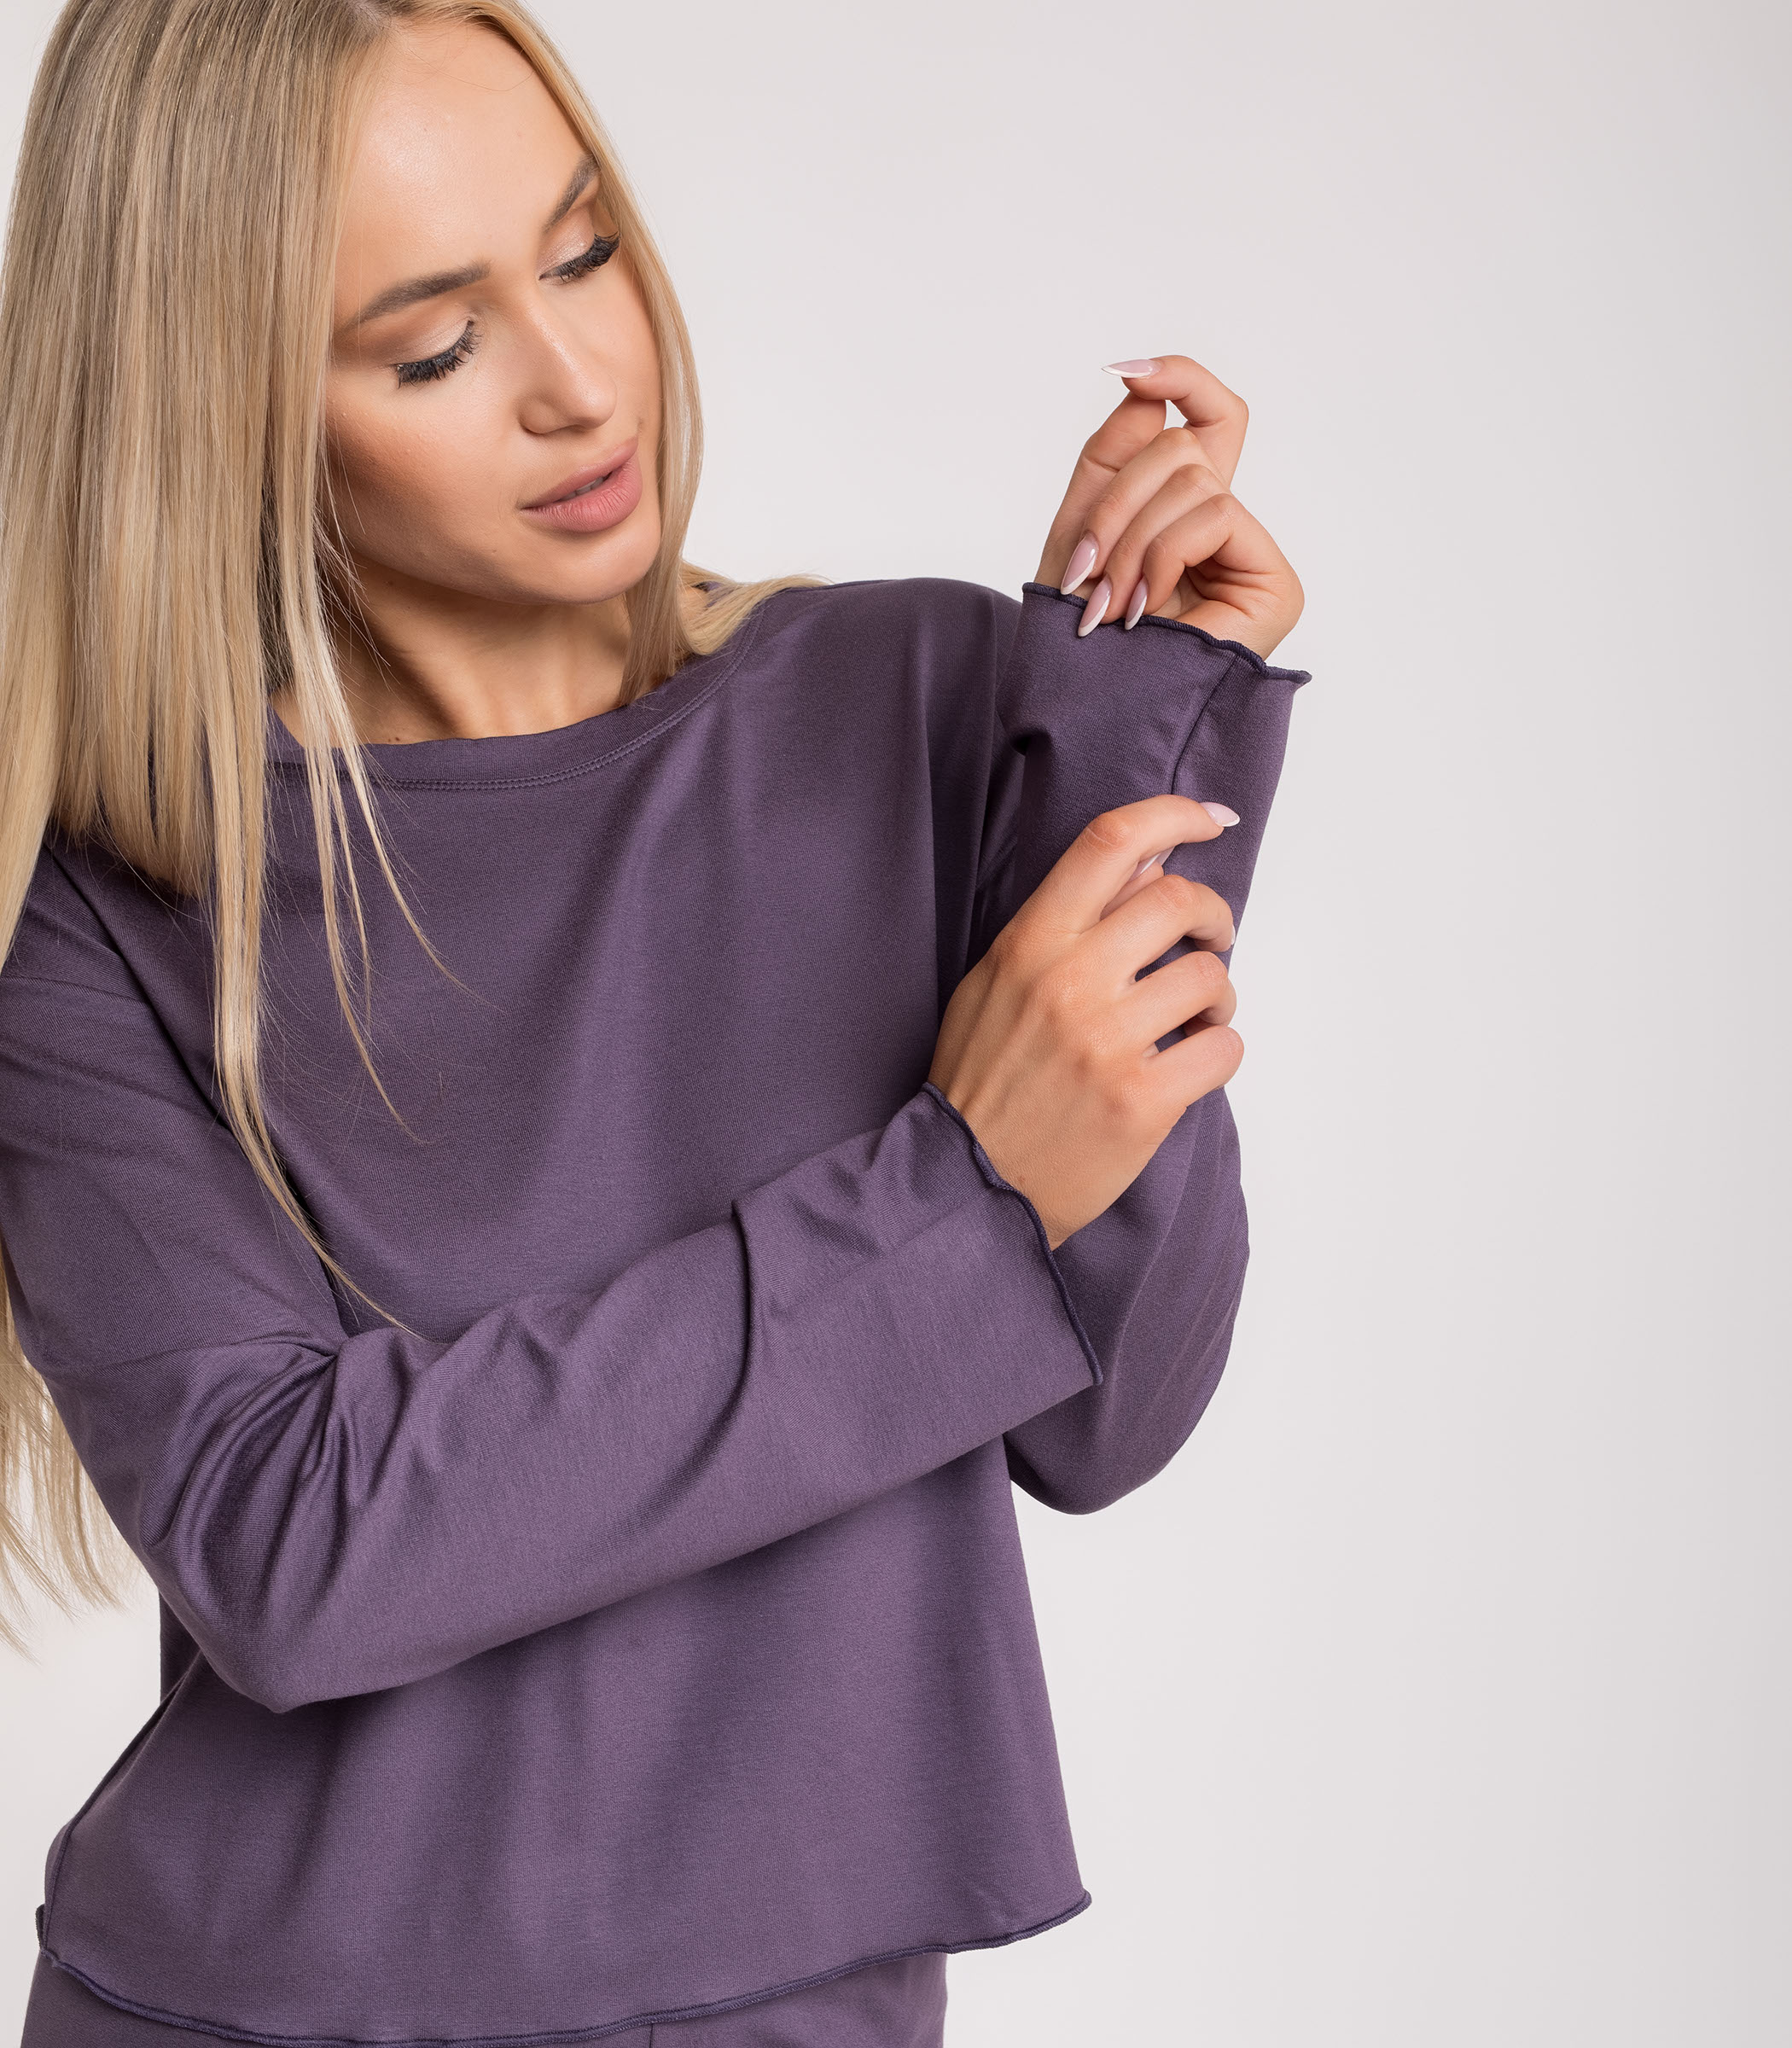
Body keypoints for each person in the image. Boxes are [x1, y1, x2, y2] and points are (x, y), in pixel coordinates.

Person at [0, 2, 1308, 2043]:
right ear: (222, 411)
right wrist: (955, 1198)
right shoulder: (104, 886)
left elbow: (1100, 1418)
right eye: (435, 348)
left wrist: (1123, 756)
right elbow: (291, 1542)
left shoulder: (917, 708)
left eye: (587, 248)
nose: (582, 383)